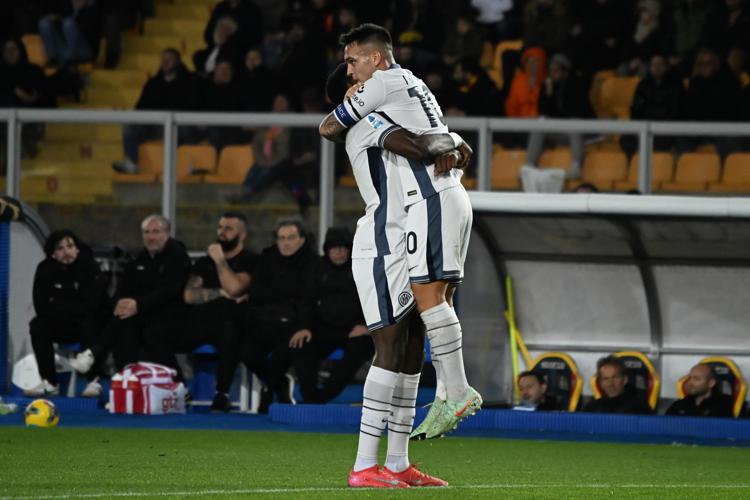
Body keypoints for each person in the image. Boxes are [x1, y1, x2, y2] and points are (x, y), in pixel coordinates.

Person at [319, 24, 478, 488]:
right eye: (353, 80)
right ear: (354, 93)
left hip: (401, 231)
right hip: (378, 243)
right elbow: (424, 145)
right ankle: (364, 465)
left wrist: (448, 140)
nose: (358, 80)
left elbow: (426, 141)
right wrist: (450, 140)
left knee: (410, 352)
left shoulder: (389, 104)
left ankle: (397, 463)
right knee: (389, 348)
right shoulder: (367, 122)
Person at [142, 212, 256, 412]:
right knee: (153, 332)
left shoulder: (250, 260)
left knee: (230, 332)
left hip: (230, 320)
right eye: (220, 227)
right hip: (199, 320)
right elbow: (188, 295)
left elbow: (235, 288)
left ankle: (222, 394)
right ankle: (179, 388)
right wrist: (220, 292)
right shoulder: (204, 262)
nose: (222, 233)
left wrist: (220, 261)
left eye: (228, 229)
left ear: (242, 235)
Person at [71, 215, 191, 375]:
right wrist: (118, 304)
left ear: (167, 234)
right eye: (146, 232)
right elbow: (124, 286)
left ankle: (93, 353)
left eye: (156, 232)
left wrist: (137, 305)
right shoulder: (141, 257)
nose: (150, 237)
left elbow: (169, 291)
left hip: (171, 315)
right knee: (124, 326)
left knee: (138, 327)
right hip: (143, 314)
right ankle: (127, 382)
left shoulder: (178, 255)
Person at [289, 227, 373, 404]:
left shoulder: (363, 268)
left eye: (343, 248)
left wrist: (367, 326)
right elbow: (306, 301)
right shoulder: (316, 268)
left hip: (355, 329)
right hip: (322, 328)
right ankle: (310, 397)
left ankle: (323, 397)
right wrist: (303, 327)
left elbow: (373, 299)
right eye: (334, 248)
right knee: (301, 344)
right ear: (327, 250)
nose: (339, 252)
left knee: (361, 348)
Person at [240, 220, 316, 407]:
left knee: (284, 351)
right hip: (265, 320)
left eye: (291, 238)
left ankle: (268, 393)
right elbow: (256, 292)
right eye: (281, 238)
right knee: (246, 352)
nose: (286, 242)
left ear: (301, 240)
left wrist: (281, 297)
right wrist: (287, 295)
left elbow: (308, 298)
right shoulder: (267, 257)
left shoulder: (312, 262)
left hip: (294, 323)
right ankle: (279, 383)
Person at [25, 230, 107, 397]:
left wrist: (61, 305)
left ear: (77, 248)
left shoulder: (90, 267)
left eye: (70, 246)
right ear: (53, 254)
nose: (66, 252)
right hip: (59, 326)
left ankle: (94, 382)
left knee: (92, 321)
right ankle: (49, 382)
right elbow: (41, 306)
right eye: (60, 248)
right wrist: (72, 307)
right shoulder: (44, 269)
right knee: (38, 324)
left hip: (86, 325)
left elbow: (93, 305)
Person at [112, 49, 198, 174]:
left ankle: (183, 164)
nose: (165, 62)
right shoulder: (153, 83)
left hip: (177, 125)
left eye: (169, 59)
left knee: (182, 130)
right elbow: (140, 108)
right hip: (153, 126)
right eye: (163, 59)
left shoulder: (190, 82)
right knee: (130, 126)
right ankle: (131, 162)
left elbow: (191, 107)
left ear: (178, 62)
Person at [527, 53, 592, 177]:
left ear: (565, 71)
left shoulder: (576, 85)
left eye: (556, 70)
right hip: (557, 130)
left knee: (575, 124)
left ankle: (576, 166)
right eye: (551, 70)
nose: (552, 73)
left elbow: (576, 112)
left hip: (578, 132)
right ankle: (529, 165)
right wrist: (549, 94)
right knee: (540, 124)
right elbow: (543, 112)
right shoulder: (547, 87)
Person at [37, 0, 100, 66]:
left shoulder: (94, 8)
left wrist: (81, 10)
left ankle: (70, 60)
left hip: (84, 50)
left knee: (68, 23)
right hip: (66, 49)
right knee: (44, 23)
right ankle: (53, 59)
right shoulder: (67, 4)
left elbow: (89, 32)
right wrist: (57, 19)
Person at [583, 355, 653, 415]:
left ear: (625, 380)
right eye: (606, 379)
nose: (610, 383)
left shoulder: (640, 407)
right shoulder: (592, 408)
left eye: (615, 377)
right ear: (601, 383)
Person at [665, 364, 734, 418]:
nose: (690, 382)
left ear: (711, 383)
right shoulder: (678, 405)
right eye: (689, 378)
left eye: (696, 379)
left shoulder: (728, 405)